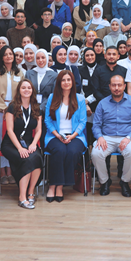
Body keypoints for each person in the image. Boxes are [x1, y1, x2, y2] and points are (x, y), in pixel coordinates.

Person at [92, 74, 131, 197]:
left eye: (119, 85)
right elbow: (96, 125)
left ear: (124, 86)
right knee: (96, 153)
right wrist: (100, 137)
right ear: (109, 86)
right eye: (114, 85)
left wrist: (128, 137)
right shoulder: (102, 103)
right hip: (107, 137)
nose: (116, 88)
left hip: (127, 137)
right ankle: (105, 181)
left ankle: (125, 181)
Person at [43, 71, 87, 202]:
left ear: (72, 82)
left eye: (69, 80)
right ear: (59, 83)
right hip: (55, 135)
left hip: (75, 136)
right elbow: (47, 120)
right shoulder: (52, 97)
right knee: (59, 150)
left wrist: (72, 136)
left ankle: (60, 186)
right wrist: (57, 135)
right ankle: (52, 186)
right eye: (63, 80)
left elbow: (83, 121)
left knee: (72, 151)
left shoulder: (80, 99)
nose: (66, 82)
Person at [1, 80, 43, 210]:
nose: (26, 90)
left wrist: (34, 144)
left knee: (37, 158)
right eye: (23, 87)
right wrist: (19, 148)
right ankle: (22, 197)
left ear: (32, 90)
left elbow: (39, 130)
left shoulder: (36, 108)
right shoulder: (12, 107)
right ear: (19, 90)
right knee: (26, 160)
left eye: (29, 87)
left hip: (29, 142)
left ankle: (31, 192)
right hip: (11, 143)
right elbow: (9, 130)